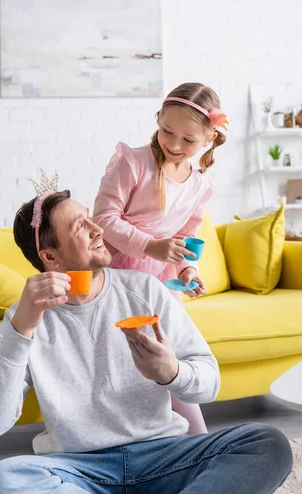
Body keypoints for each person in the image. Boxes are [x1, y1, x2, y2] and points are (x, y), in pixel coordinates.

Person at [0, 186, 292, 494]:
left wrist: (172, 372)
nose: (98, 229)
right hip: (81, 470)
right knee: (2, 479)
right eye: (82, 226)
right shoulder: (23, 318)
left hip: (167, 456)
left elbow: (210, 382)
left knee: (267, 443)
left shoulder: (145, 289)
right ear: (50, 258)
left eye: (92, 218)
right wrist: (21, 330)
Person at [92, 82, 228, 434]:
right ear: (158, 120)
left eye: (188, 140)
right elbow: (104, 218)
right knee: (122, 358)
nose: (174, 144)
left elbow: (186, 237)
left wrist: (187, 268)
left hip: (159, 283)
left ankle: (197, 439)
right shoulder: (133, 162)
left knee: (172, 357)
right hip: (116, 275)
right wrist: (150, 246)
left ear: (209, 139)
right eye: (167, 131)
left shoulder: (200, 185)